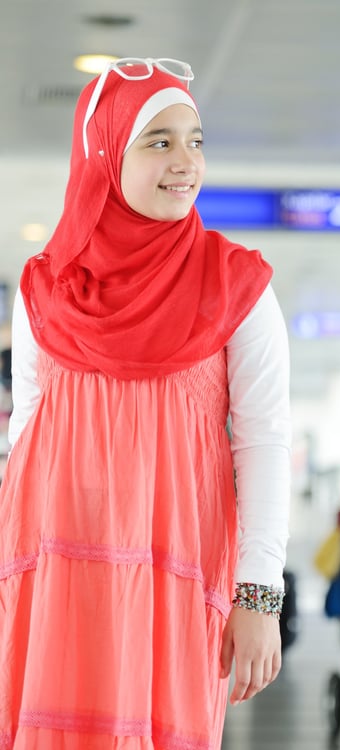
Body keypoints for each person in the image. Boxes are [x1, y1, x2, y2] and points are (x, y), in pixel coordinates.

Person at [0, 58, 291, 749]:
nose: (185, 162)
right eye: (158, 141)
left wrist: (259, 597)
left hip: (174, 573)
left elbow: (265, 443)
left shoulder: (236, 284)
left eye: (195, 140)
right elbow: (29, 436)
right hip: (55, 570)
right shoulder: (44, 287)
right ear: (104, 154)